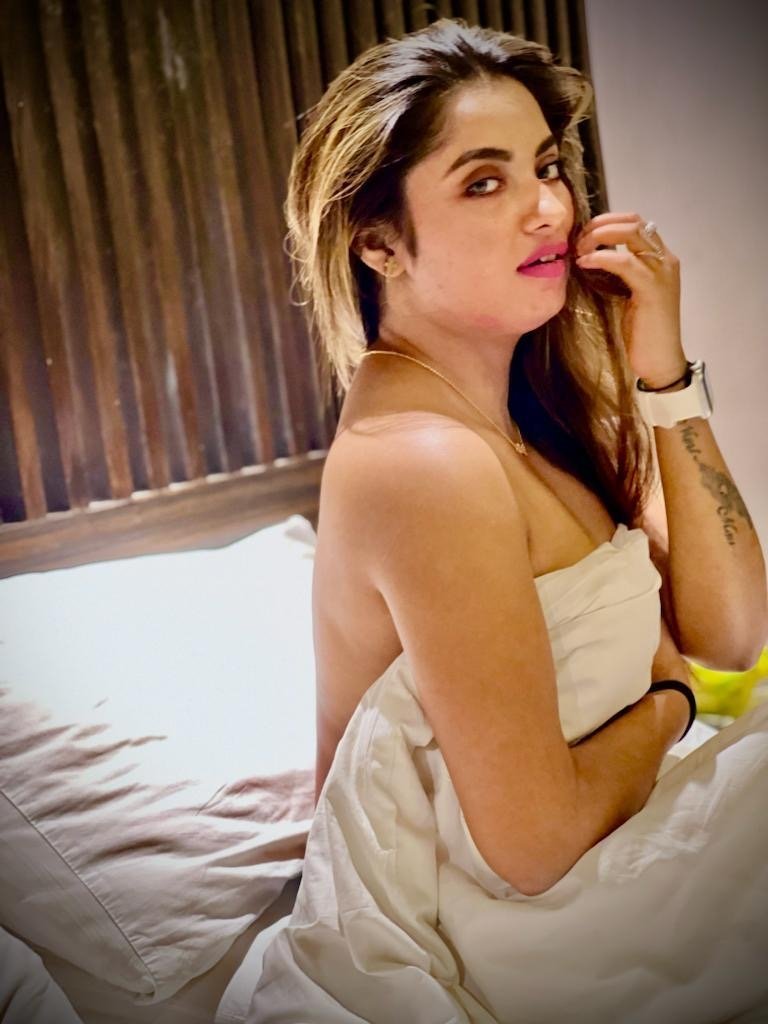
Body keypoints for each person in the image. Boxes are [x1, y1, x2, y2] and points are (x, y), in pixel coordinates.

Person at [248, 18, 768, 1024]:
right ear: (378, 241)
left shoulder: (541, 399)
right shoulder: (424, 463)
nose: (549, 209)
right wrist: (670, 701)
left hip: (604, 854)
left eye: (547, 165)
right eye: (485, 182)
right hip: (521, 927)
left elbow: (735, 631)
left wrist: (664, 372)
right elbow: (533, 846)